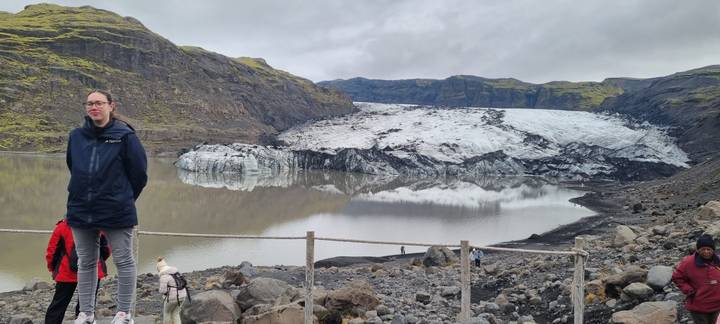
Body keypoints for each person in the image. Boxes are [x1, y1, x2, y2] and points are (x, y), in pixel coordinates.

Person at [67, 90, 148, 324]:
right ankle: (86, 313)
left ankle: (123, 313)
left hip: (116, 209)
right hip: (81, 208)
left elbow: (139, 174)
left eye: (99, 103)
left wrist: (122, 198)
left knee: (124, 261)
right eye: (90, 103)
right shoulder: (76, 136)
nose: (94, 107)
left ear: (111, 106)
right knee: (86, 261)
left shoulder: (125, 136)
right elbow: (74, 168)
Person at [45, 218, 110, 324]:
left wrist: (52, 268)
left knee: (58, 305)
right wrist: (98, 263)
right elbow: (106, 249)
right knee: (86, 308)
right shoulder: (99, 225)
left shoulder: (62, 226)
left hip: (66, 272)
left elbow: (52, 251)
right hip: (92, 273)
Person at [672, 234, 720, 324]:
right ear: (698, 250)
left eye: (709, 249)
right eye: (703, 249)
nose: (706, 252)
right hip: (699, 306)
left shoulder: (718, 262)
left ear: (713, 250)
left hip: (717, 305)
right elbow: (677, 277)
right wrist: (689, 290)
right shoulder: (688, 262)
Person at [157, 258, 187, 324]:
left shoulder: (164, 276)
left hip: (172, 298)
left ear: (159, 268)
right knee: (176, 313)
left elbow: (162, 290)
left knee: (167, 313)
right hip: (183, 295)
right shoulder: (176, 272)